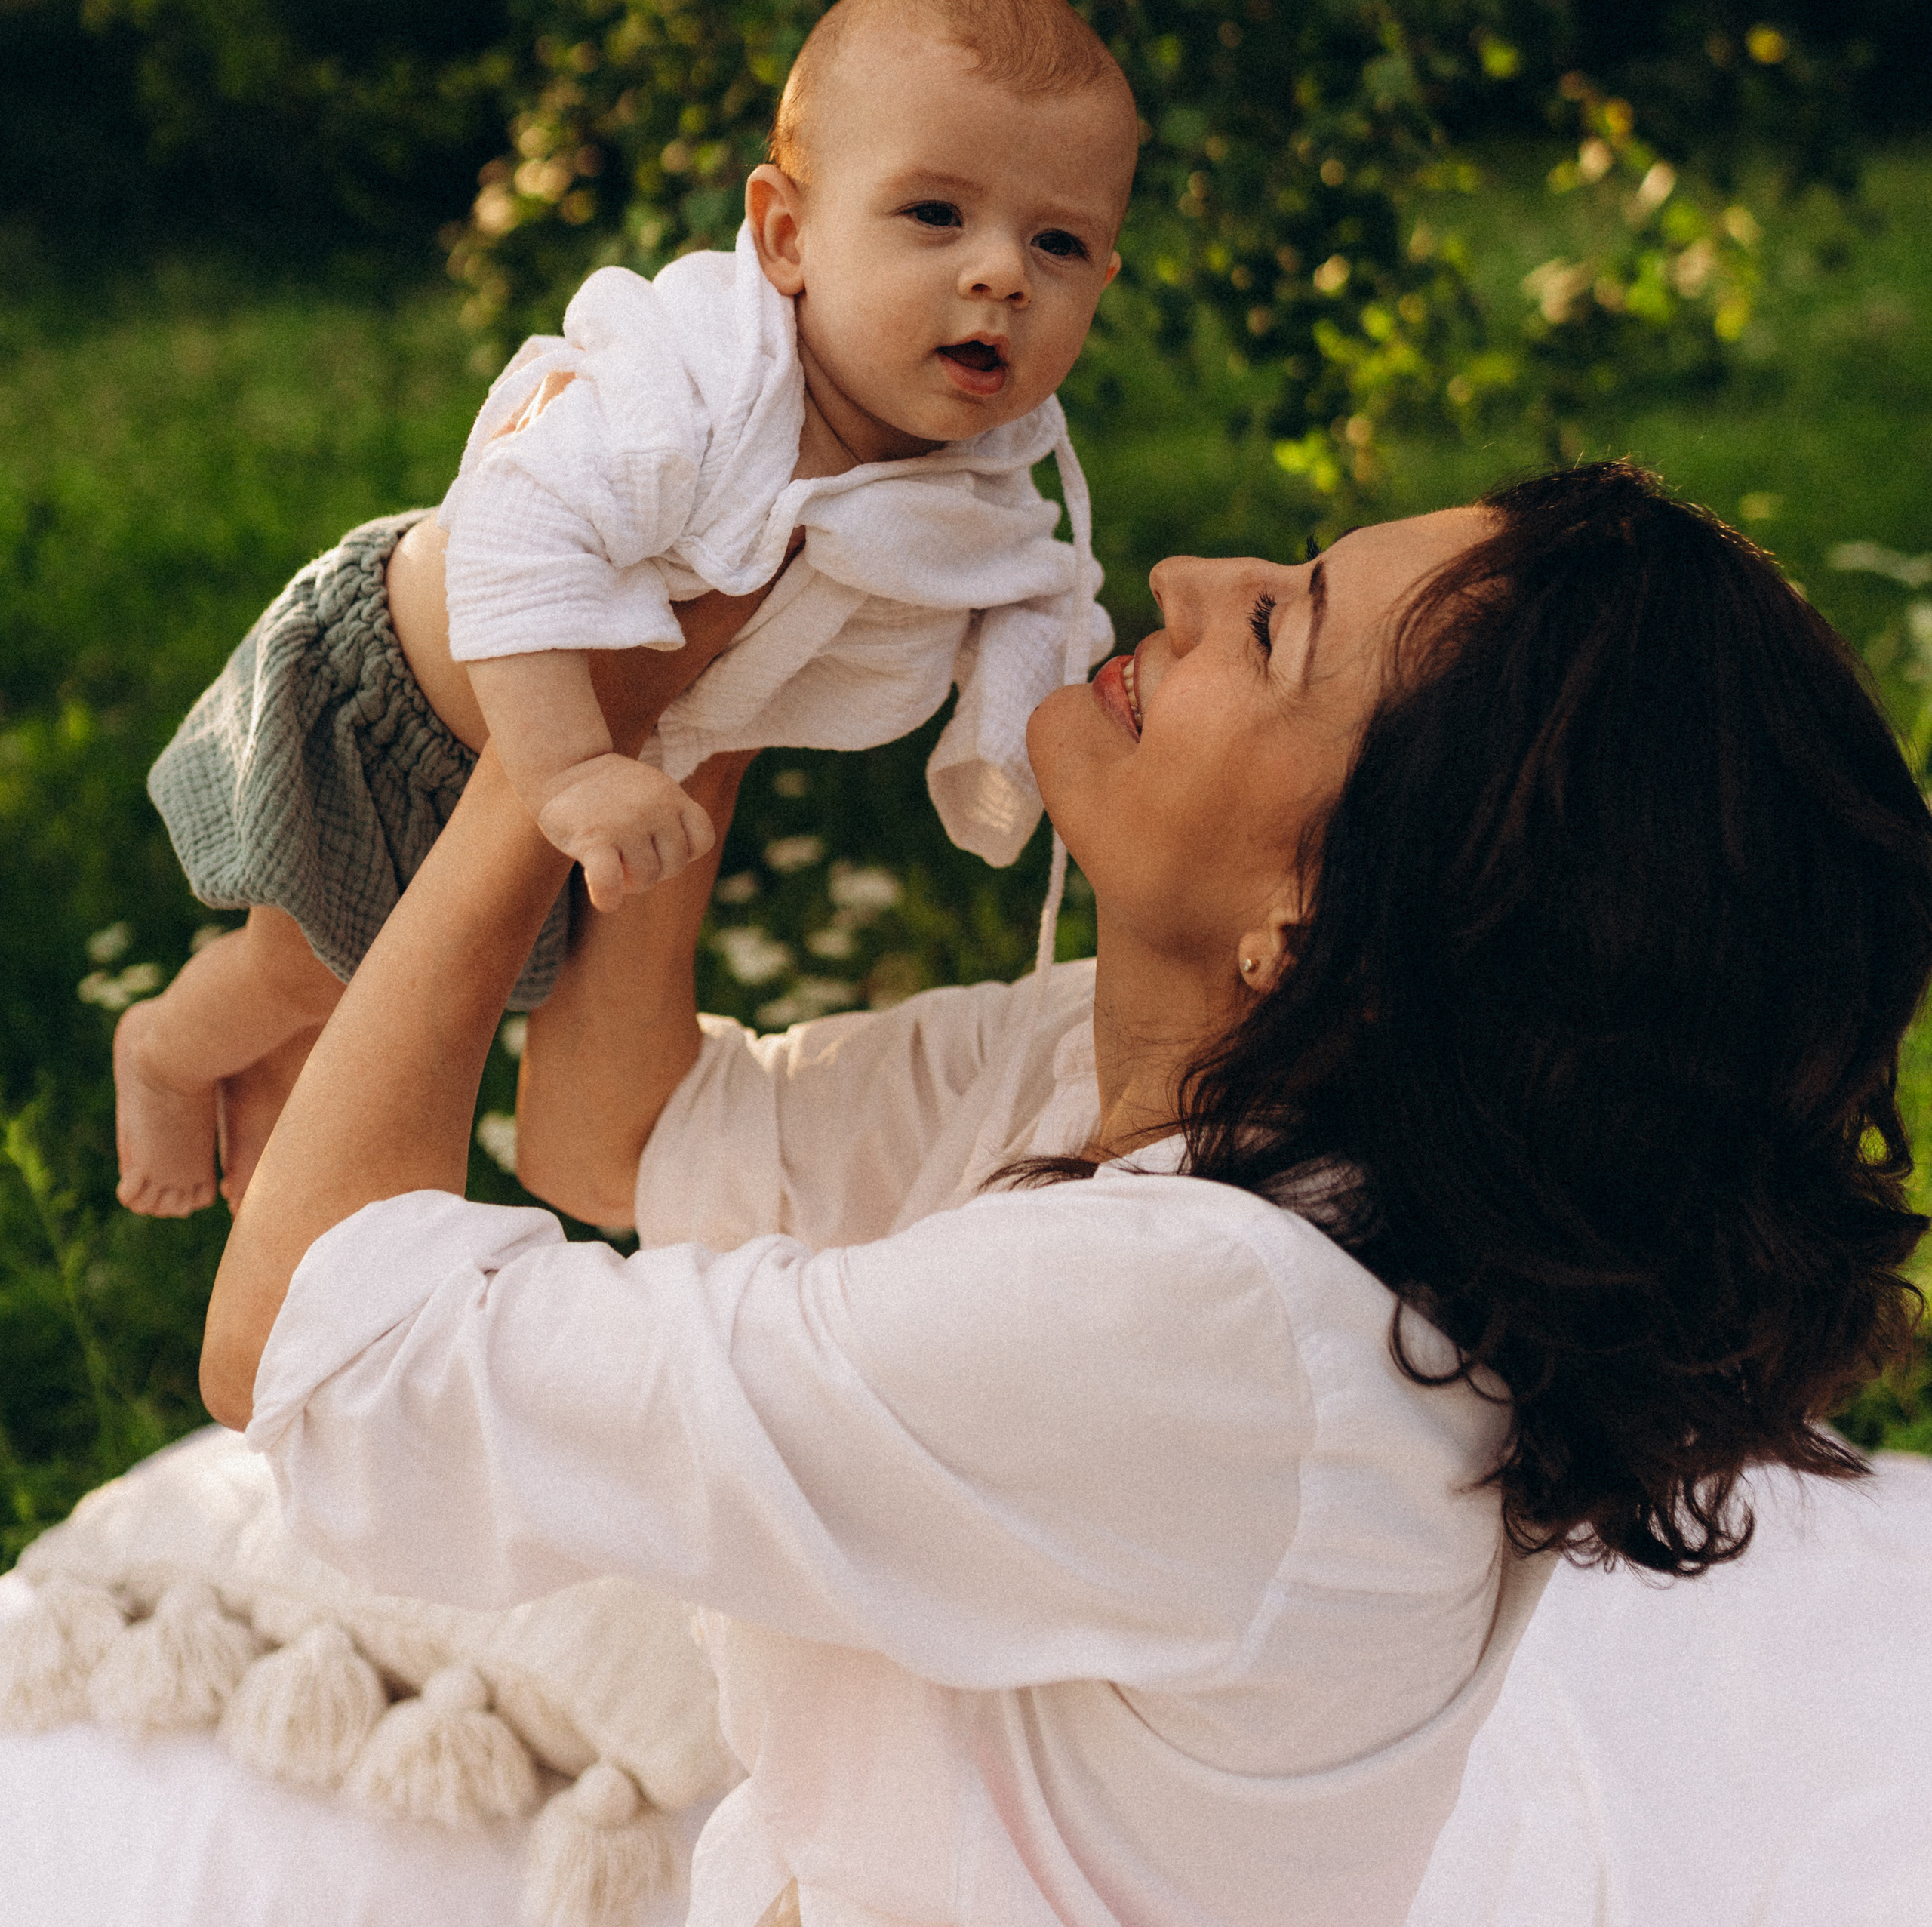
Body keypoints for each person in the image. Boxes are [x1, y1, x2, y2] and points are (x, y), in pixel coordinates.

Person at [200, 464, 1932, 1927]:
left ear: (1318, 916)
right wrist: (700, 690)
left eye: (1274, 627)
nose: (1184, 578)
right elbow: (618, 1139)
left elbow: (306, 1348)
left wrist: (536, 735)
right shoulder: (1199, 1096)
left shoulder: (1208, 1330)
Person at [116, 0, 1135, 1217]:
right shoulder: (700, 375)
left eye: (1060, 242)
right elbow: (520, 517)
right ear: (785, 236)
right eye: (935, 213)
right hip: (423, 690)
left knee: (381, 985)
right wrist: (565, 771)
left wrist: (1019, 769)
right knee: (307, 968)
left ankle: (267, 1089)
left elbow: (1046, 604)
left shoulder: (983, 481)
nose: (1002, 274)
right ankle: (163, 1048)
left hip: (581, 755)